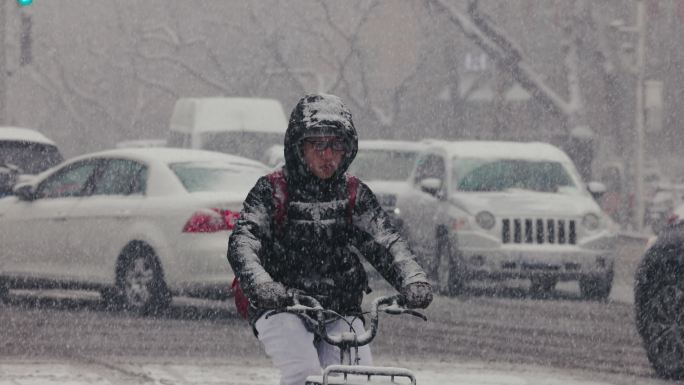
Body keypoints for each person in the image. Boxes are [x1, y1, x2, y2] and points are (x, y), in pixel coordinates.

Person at [227, 93, 433, 385]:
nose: (328, 155)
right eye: (318, 144)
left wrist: (413, 280)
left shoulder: (353, 193)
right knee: (304, 372)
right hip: (284, 304)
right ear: (299, 147)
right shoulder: (272, 191)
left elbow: (385, 242)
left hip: (341, 305)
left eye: (336, 145)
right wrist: (263, 285)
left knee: (355, 377)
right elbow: (243, 242)